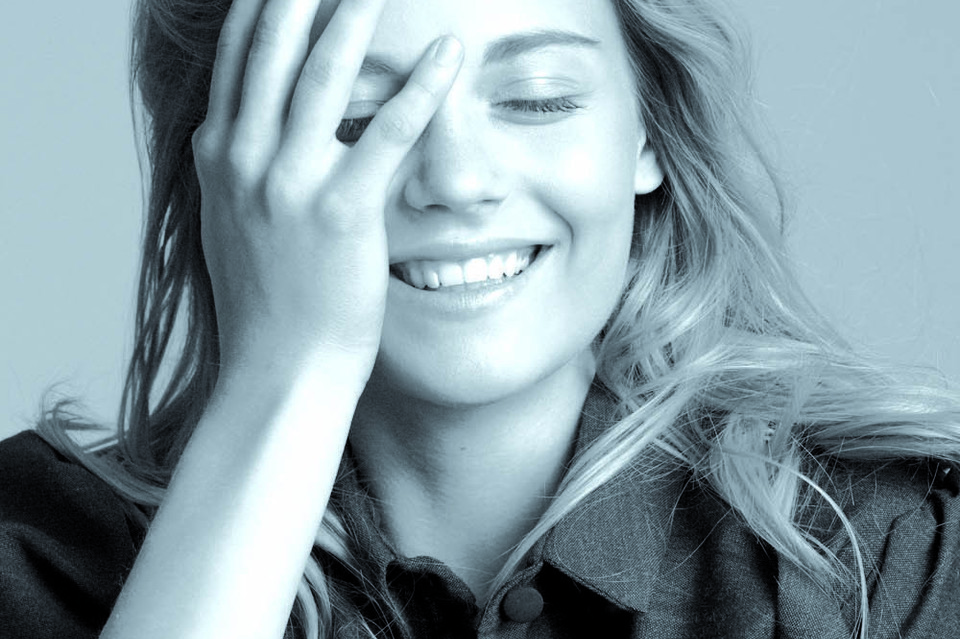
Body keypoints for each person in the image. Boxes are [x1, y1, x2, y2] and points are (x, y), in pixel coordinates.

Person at [1, 0, 959, 637]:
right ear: (229, 172)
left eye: (538, 101)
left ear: (649, 131)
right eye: (354, 119)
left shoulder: (887, 552)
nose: (457, 181)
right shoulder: (42, 554)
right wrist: (287, 376)